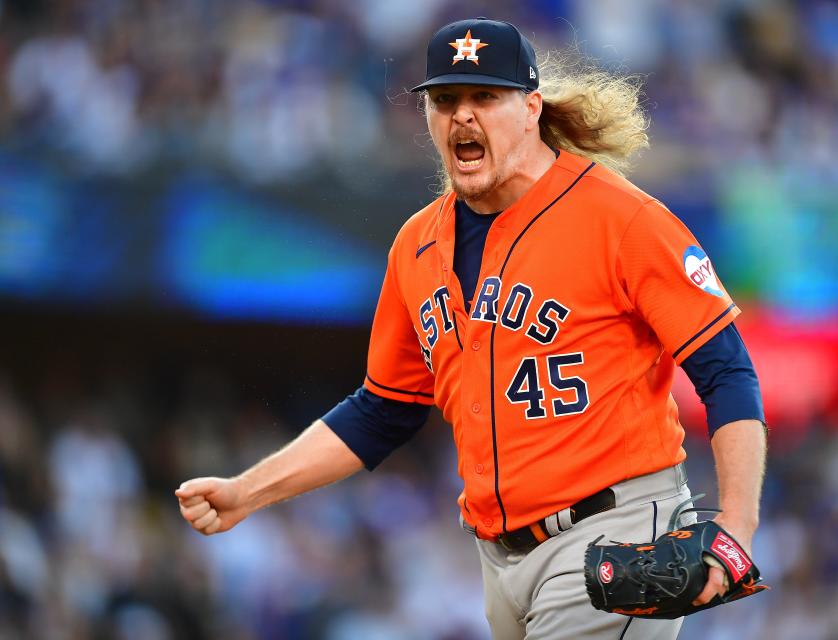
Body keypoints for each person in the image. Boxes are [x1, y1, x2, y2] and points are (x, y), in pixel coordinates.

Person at [176, 17, 767, 640]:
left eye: (485, 96)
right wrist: (249, 491)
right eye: (445, 100)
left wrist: (738, 529)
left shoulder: (622, 220)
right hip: (497, 560)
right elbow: (383, 410)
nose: (462, 116)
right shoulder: (416, 244)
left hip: (610, 538)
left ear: (532, 107)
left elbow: (726, 369)